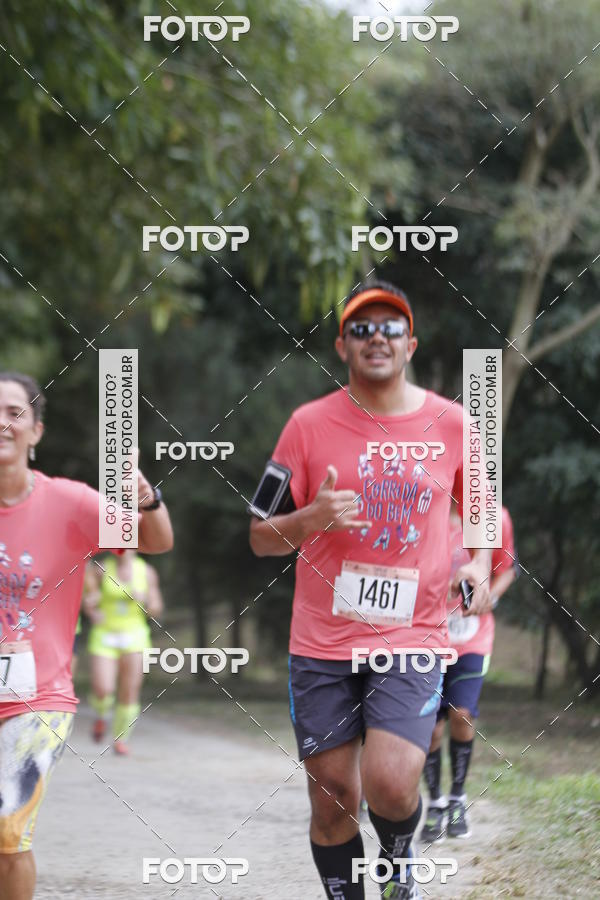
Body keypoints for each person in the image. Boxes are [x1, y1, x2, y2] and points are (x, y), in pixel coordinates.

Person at [249, 281, 492, 900]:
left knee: (390, 781)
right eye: (361, 329)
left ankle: (398, 857)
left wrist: (479, 565)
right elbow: (260, 537)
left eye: (389, 328)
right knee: (333, 799)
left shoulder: (453, 424)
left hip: (412, 633)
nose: (375, 337)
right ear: (342, 346)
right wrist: (311, 518)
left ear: (410, 344)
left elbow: (483, 512)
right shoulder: (306, 426)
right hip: (323, 641)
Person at [0, 371, 173, 900]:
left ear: (36, 431)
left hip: (35, 697)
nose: (2, 423)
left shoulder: (69, 506)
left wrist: (145, 498)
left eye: (15, 413)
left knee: (7, 831)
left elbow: (156, 541)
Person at [420, 506, 517, 843]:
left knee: (461, 715)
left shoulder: (495, 517)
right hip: (425, 637)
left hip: (472, 637)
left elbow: (506, 570)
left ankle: (458, 797)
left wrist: (492, 596)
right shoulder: (422, 509)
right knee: (430, 727)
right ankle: (435, 802)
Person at [83, 550, 163, 754]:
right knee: (103, 688)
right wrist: (93, 610)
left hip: (135, 635)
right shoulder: (100, 568)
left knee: (129, 691)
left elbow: (156, 608)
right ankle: (101, 715)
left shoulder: (146, 571)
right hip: (105, 633)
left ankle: (121, 738)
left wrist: (145, 599)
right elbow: (88, 598)